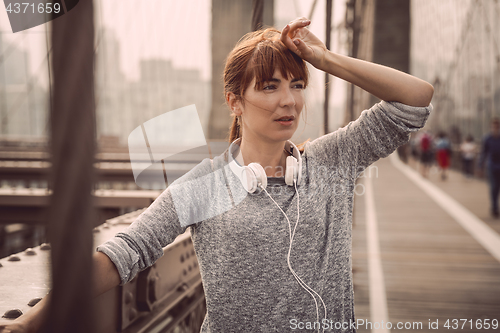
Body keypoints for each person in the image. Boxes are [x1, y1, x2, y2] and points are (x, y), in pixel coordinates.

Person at [0, 17, 434, 333]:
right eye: (269, 86)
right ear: (234, 101)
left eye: (296, 85)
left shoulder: (332, 161)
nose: (289, 101)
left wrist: (324, 59)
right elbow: (124, 252)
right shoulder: (204, 185)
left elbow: (415, 100)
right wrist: (34, 322)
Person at [479, 118, 500, 218]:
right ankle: (494, 207)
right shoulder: (487, 138)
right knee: (494, 187)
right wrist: (480, 165)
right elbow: (483, 152)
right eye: (493, 127)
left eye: (497, 127)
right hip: (492, 165)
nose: (495, 129)